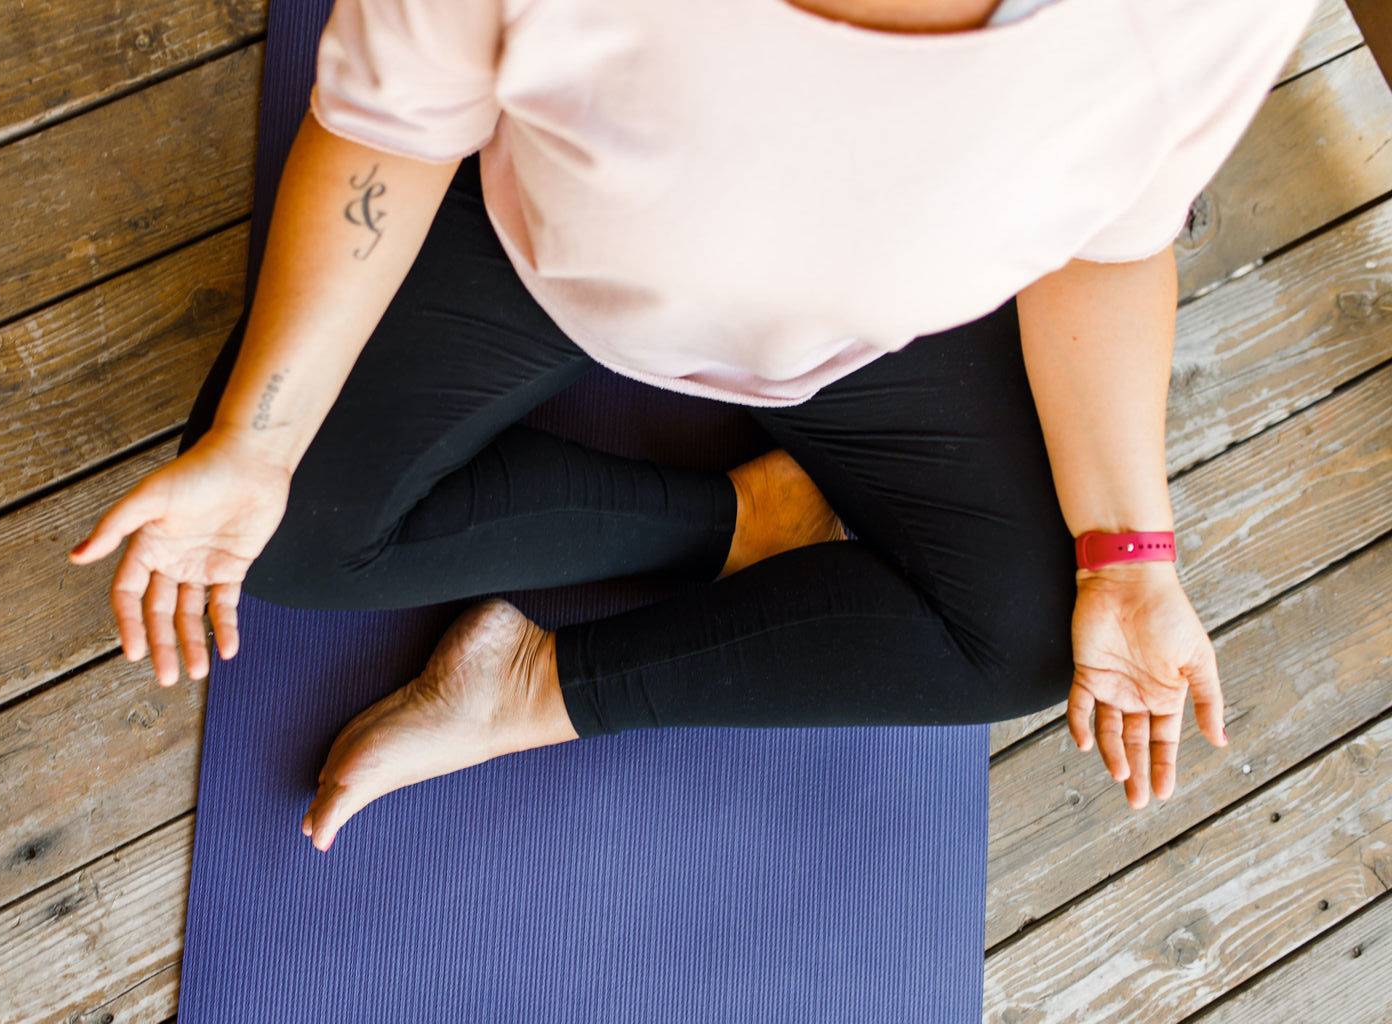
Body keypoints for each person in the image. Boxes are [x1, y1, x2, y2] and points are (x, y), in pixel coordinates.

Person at [69, 0, 1315, 853]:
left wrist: (1133, 555)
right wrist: (257, 444)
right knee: (284, 537)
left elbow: (1109, 243)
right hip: (543, 254)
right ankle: (741, 513)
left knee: (1046, 635)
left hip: (891, 331)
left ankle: (530, 685)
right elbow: (385, 135)